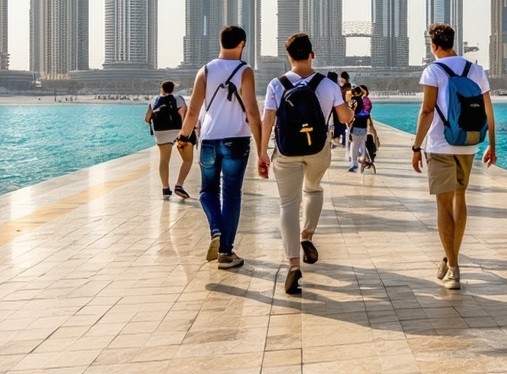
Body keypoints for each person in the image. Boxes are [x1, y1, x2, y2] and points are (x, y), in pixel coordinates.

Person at [260, 33, 354, 295]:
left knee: (288, 205)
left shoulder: (276, 85)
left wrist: (262, 153)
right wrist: (348, 106)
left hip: (287, 151)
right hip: (318, 148)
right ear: (312, 54)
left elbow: (267, 121)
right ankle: (307, 236)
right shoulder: (327, 85)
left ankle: (292, 265)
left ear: (288, 56)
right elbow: (345, 118)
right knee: (313, 189)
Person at [411, 23, 497, 290]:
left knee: (444, 206)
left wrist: (416, 146)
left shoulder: (433, 70)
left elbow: (426, 111)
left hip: (440, 144)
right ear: (453, 42)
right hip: (470, 143)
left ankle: (454, 268)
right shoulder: (476, 70)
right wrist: (492, 145)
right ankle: (450, 258)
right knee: (460, 200)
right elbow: (488, 110)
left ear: (433, 45)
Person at [177, 25, 263, 269]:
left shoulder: (204, 70)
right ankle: (226, 251)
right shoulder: (245, 71)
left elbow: (193, 111)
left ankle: (215, 228)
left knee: (207, 191)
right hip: (237, 140)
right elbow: (253, 114)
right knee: (232, 194)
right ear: (242, 44)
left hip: (210, 141)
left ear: (220, 42)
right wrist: (262, 150)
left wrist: (183, 138)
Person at [145, 81, 194, 199]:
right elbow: (184, 115)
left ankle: (165, 189)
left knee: (164, 160)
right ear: (173, 89)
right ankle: (179, 185)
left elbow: (147, 119)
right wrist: (186, 132)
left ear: (161, 89)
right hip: (177, 132)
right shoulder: (178, 98)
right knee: (187, 160)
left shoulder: (154, 100)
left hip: (161, 133)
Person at [345, 85, 375, 173]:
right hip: (363, 127)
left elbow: (350, 109)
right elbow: (367, 113)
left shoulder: (356, 100)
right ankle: (363, 159)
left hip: (356, 125)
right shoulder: (366, 101)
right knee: (362, 144)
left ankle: (355, 163)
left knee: (354, 145)